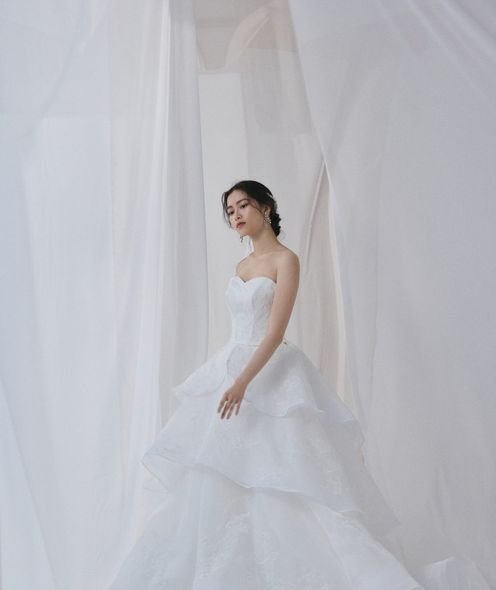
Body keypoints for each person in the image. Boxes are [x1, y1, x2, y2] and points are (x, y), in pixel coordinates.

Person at [109, 180, 424, 589]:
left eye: (243, 206)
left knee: (283, 474)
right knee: (219, 474)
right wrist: (232, 377)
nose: (236, 215)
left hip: (269, 371)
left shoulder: (286, 260)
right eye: (230, 211)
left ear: (266, 208)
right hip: (229, 366)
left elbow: (274, 333)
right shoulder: (241, 268)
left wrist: (243, 382)